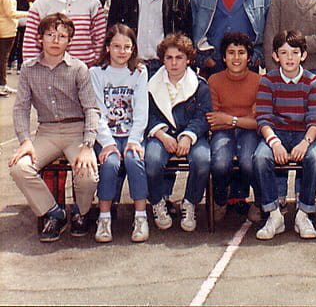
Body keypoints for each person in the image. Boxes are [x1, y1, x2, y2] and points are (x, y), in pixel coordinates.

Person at [8, 13, 99, 242]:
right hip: (47, 132)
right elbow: (21, 108)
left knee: (87, 174)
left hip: (76, 131)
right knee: (19, 167)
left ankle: (81, 212)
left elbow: (91, 108)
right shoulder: (29, 69)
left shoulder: (78, 69)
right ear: (40, 38)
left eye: (62, 36)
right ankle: (54, 213)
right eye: (50, 35)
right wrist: (25, 141)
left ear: (70, 41)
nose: (56, 40)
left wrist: (88, 145)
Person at [254, 30, 316, 240]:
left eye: (295, 52)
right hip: (277, 134)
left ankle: (304, 214)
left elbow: (315, 120)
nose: (289, 58)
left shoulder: (313, 82)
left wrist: (305, 143)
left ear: (303, 55)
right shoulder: (268, 81)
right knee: (260, 158)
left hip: (303, 134)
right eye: (284, 53)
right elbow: (263, 119)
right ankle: (274, 214)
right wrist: (275, 143)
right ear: (275, 56)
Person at [144, 33, 212, 232]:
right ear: (163, 60)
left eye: (179, 58)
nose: (174, 63)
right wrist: (161, 135)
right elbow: (148, 114)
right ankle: (158, 202)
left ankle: (190, 202)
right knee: (152, 161)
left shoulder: (200, 85)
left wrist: (188, 136)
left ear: (188, 59)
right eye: (169, 58)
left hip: (191, 136)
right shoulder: (150, 85)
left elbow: (203, 116)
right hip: (162, 135)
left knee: (202, 160)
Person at [90, 24, 150, 243]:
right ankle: (104, 218)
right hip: (107, 135)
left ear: (133, 49)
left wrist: (134, 140)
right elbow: (97, 111)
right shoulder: (96, 73)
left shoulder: (139, 72)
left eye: (127, 47)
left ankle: (141, 217)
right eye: (116, 46)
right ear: (107, 47)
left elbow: (141, 110)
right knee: (110, 163)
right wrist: (107, 143)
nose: (122, 51)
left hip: (131, 134)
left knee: (135, 160)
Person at [208, 32, 262, 224]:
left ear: (249, 57)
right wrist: (243, 119)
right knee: (220, 163)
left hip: (249, 132)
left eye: (241, 53)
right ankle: (221, 199)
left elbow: (258, 122)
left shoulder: (259, 81)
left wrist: (230, 119)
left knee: (249, 162)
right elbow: (213, 121)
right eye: (231, 53)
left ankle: (260, 202)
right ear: (223, 57)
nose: (236, 58)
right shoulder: (214, 80)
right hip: (223, 132)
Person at [0, 0, 25, 95]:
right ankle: (2, 84)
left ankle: (2, 83)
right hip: (7, 29)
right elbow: (11, 13)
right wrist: (28, 13)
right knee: (3, 58)